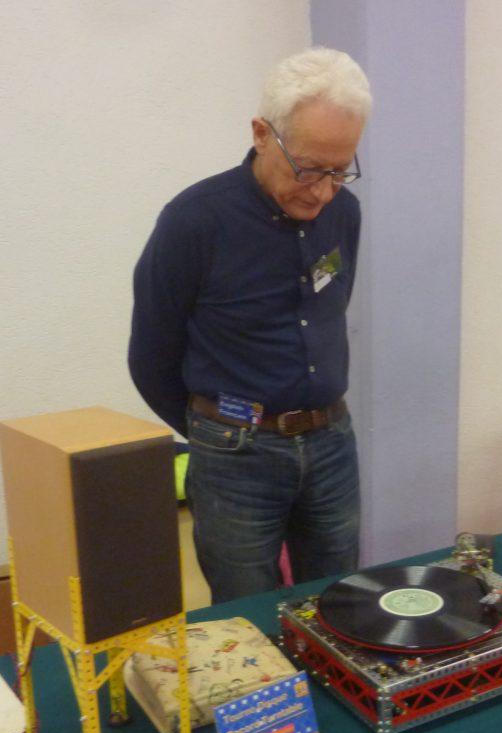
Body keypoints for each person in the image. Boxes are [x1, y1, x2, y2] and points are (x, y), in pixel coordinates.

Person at [129, 48, 371, 603]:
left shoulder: (344, 213)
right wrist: (216, 430)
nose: (323, 191)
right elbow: (150, 357)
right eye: (308, 169)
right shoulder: (194, 221)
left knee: (339, 607)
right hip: (234, 454)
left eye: (339, 171)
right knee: (246, 621)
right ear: (262, 134)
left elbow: (331, 307)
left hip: (332, 443)